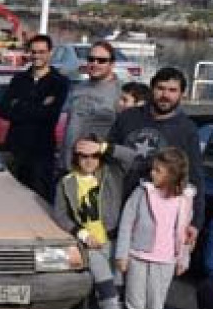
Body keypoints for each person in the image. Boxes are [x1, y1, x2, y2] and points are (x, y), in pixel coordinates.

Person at [80, 67, 205, 247]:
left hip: (155, 213)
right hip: (115, 203)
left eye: (172, 90)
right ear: (152, 89)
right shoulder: (129, 117)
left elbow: (194, 176)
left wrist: (196, 221)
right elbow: (106, 156)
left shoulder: (187, 129)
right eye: (160, 88)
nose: (165, 95)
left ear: (182, 94)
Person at [115, 147, 195, 309]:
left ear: (172, 174)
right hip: (138, 256)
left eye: (158, 170)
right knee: (134, 303)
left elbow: (184, 232)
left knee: (155, 306)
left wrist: (183, 259)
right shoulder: (142, 192)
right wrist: (122, 254)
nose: (152, 173)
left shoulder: (185, 199)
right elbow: (126, 222)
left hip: (165, 260)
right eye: (153, 169)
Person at [51, 134, 125, 309]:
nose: (89, 160)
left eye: (94, 155)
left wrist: (104, 146)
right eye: (83, 156)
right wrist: (81, 234)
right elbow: (60, 214)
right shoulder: (67, 182)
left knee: (118, 292)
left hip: (115, 242)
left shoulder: (112, 175)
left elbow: (134, 157)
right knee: (106, 290)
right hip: (90, 246)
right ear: (76, 157)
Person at [0, 34, 69, 200]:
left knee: (39, 200)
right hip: (15, 150)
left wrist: (19, 105)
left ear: (50, 53)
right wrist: (39, 105)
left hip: (41, 152)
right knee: (11, 198)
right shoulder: (19, 79)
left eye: (41, 52)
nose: (36, 56)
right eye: (33, 52)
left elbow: (50, 115)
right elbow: (3, 111)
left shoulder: (59, 82)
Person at [59, 40, 120, 170]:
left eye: (101, 60)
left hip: (97, 169)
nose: (95, 64)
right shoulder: (78, 88)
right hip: (68, 164)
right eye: (91, 59)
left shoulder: (120, 93)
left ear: (112, 64)